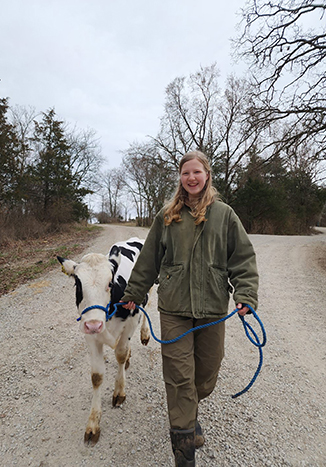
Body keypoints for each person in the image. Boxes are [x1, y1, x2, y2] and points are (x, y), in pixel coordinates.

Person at [121, 150, 259, 467]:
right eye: (186, 173)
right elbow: (148, 260)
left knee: (206, 375)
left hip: (211, 306)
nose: (191, 178)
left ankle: (190, 408)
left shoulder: (224, 215)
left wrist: (246, 294)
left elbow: (243, 259)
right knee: (179, 378)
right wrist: (135, 292)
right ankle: (184, 449)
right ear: (180, 178)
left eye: (197, 172)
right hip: (174, 309)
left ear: (207, 175)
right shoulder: (167, 216)